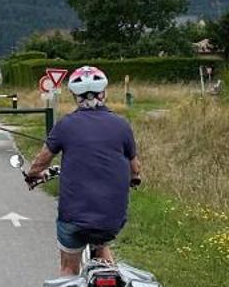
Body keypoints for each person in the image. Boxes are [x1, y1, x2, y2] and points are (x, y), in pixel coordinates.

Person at [23, 66, 142, 275]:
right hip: (112, 218)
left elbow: (41, 163)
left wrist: (33, 175)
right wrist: (133, 179)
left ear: (75, 97)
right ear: (103, 93)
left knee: (69, 268)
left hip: (74, 218)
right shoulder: (121, 125)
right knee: (102, 242)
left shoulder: (65, 125)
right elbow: (135, 169)